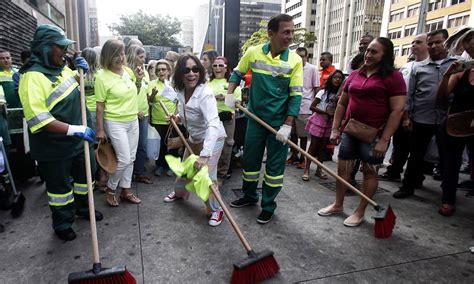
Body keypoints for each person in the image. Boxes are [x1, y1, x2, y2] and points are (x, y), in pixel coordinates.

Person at [19, 24, 102, 241]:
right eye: (60, 47)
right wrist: (75, 129)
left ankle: (84, 208)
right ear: (45, 48)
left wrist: (80, 73)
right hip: (53, 146)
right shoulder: (32, 77)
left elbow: (72, 88)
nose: (65, 52)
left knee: (86, 178)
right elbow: (39, 118)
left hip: (77, 142)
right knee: (60, 190)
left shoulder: (63, 68)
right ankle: (63, 222)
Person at [317, 37, 406, 227]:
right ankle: (338, 204)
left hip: (375, 134)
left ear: (385, 55)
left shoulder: (394, 77)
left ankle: (360, 212)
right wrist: (335, 128)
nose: (368, 54)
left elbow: (397, 110)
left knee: (369, 172)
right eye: (368, 51)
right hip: (351, 130)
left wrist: (384, 140)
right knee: (343, 169)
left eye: (374, 51)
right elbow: (342, 102)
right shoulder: (356, 74)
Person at [227, 14, 303, 224]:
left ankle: (268, 205)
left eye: (292, 32)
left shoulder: (295, 61)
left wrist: (288, 125)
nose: (290, 36)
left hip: (279, 124)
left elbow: (296, 96)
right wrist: (230, 93)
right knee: (250, 161)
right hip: (255, 119)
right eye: (285, 32)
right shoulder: (253, 52)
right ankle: (250, 196)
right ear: (271, 34)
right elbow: (237, 73)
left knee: (275, 168)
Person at [163, 54, 226, 227]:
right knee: (185, 170)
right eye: (186, 70)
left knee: (206, 177)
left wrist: (205, 155)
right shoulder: (181, 91)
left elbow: (213, 124)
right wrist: (177, 118)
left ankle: (216, 210)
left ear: (200, 71)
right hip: (194, 138)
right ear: (180, 74)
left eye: (195, 69)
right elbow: (189, 115)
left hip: (213, 140)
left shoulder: (205, 94)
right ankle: (181, 193)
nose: (191, 74)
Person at [393, 29, 457, 199]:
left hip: (447, 120)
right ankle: (407, 187)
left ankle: (448, 196)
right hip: (421, 119)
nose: (434, 46)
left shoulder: (457, 65)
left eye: (438, 42)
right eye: (430, 43)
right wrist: (407, 118)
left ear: (447, 43)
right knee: (415, 155)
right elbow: (409, 96)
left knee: (448, 159)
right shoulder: (417, 67)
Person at [95, 39, 142, 207]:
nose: (120, 57)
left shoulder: (128, 71)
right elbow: (99, 106)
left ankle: (126, 190)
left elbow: (133, 92)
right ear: (107, 56)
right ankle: (110, 188)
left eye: (122, 53)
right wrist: (100, 129)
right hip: (115, 121)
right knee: (123, 158)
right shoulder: (101, 77)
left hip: (132, 120)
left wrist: (137, 80)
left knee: (131, 157)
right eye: (115, 54)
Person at [380, 33, 429, 181]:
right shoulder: (406, 67)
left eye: (418, 42)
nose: (414, 45)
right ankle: (394, 171)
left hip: (422, 116)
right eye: (413, 42)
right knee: (399, 145)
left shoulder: (433, 66)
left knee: (417, 150)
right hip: (400, 113)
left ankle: (414, 178)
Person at [436, 29, 474, 216]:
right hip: (456, 125)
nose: (472, 45)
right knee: (451, 164)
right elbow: (441, 97)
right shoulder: (462, 69)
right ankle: (448, 200)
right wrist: (447, 75)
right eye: (470, 42)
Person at [302, 70, 344, 181]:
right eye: (335, 77)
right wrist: (326, 113)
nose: (337, 80)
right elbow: (312, 107)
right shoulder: (323, 92)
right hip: (319, 121)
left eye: (340, 78)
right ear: (331, 78)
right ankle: (306, 170)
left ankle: (319, 169)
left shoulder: (340, 95)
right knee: (313, 146)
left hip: (330, 123)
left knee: (323, 148)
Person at [207, 56, 242, 185]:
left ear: (226, 67)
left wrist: (226, 97)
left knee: (227, 146)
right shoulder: (207, 83)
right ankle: (210, 173)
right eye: (215, 65)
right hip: (211, 118)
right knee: (210, 145)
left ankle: (222, 175)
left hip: (228, 118)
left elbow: (238, 102)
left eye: (221, 65)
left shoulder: (232, 84)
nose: (217, 68)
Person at [286, 47, 320, 169]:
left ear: (307, 57)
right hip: (292, 106)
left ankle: (303, 158)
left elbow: (316, 88)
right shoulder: (292, 67)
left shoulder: (312, 69)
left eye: (302, 56)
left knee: (303, 136)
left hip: (305, 106)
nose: (300, 58)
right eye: (298, 56)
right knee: (293, 134)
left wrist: (315, 107)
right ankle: (294, 156)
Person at [126, 45, 152, 184]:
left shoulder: (145, 72)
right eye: (141, 57)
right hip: (131, 114)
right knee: (130, 147)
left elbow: (145, 93)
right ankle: (126, 176)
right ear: (133, 56)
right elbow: (125, 95)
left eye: (144, 57)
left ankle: (140, 172)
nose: (144, 60)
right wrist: (135, 111)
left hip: (145, 113)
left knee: (142, 145)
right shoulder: (126, 72)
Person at [149, 59, 178, 177]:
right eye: (159, 70)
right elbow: (149, 101)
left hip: (172, 120)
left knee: (173, 144)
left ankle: (172, 166)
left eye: (164, 69)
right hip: (157, 119)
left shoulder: (174, 84)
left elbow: (179, 101)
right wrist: (153, 95)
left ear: (168, 71)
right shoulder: (152, 84)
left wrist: (176, 116)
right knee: (160, 145)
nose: (161, 72)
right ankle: (160, 165)